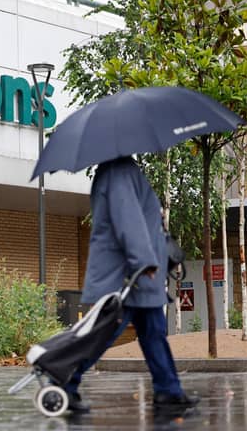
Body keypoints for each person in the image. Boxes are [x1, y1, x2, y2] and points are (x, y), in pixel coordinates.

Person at [64, 156, 199, 413]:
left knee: (154, 333)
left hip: (135, 278)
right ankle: (64, 381)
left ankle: (169, 391)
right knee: (104, 333)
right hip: (128, 276)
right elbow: (128, 220)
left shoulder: (121, 169)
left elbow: (135, 216)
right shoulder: (119, 170)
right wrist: (144, 261)